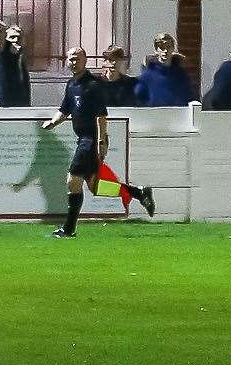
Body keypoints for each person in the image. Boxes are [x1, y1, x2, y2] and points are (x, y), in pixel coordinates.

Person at [41, 47, 155, 238]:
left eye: (77, 58)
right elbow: (65, 109)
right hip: (82, 140)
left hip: (90, 140)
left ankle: (68, 230)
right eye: (70, 59)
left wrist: (102, 141)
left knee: (72, 181)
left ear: (85, 60)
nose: (73, 62)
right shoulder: (71, 84)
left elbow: (101, 115)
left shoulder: (92, 85)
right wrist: (53, 122)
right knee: (95, 186)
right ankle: (139, 192)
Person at [134, 33, 195, 107]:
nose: (165, 50)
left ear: (173, 49)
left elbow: (188, 97)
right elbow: (138, 99)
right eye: (162, 47)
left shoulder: (180, 74)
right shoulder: (147, 75)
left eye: (168, 47)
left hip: (177, 116)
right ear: (156, 49)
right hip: (153, 116)